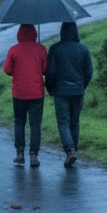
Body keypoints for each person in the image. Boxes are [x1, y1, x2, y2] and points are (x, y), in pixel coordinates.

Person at [44, 21, 93, 167]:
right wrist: (82, 86)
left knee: (63, 122)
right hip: (78, 91)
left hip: (61, 92)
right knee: (75, 121)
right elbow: (89, 72)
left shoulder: (55, 49)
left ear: (62, 32)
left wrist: (50, 88)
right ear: (75, 32)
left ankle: (70, 150)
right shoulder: (83, 49)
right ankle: (74, 150)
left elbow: (50, 72)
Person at [3, 24, 48, 167]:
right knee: (35, 124)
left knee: (19, 121)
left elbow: (7, 69)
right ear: (34, 33)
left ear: (19, 34)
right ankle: (34, 155)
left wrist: (17, 71)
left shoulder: (13, 49)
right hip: (36, 92)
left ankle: (20, 153)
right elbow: (45, 69)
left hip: (19, 92)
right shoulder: (41, 49)